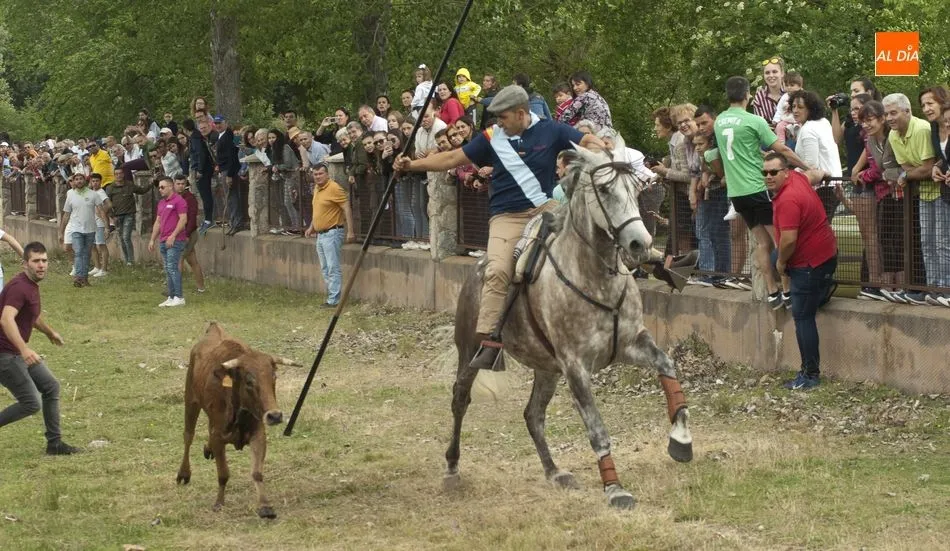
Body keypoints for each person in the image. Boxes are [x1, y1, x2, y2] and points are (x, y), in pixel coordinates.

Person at [394, 85, 605, 370]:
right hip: (506, 216)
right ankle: (491, 341)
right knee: (497, 271)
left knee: (585, 236)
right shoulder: (492, 138)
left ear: (521, 113)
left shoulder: (552, 130)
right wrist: (412, 165)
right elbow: (451, 159)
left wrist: (600, 150)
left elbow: (588, 140)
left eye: (503, 117)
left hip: (544, 208)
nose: (497, 123)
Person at [714, 76, 808, 308]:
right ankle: (787, 289)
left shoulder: (719, 121)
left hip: (737, 194)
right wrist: (807, 167)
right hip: (757, 187)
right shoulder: (754, 121)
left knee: (761, 243)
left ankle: (771, 290)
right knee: (779, 240)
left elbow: (734, 151)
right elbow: (782, 149)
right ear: (748, 95)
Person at [763, 153, 837, 390]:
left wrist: (782, 264)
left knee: (803, 316)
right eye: (764, 173)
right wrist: (824, 173)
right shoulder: (798, 178)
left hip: (809, 263)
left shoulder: (788, 200)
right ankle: (820, 291)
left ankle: (810, 374)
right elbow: (813, 174)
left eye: (774, 172)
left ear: (785, 171)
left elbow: (788, 242)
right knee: (775, 257)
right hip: (826, 254)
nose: (768, 177)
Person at [0, 242, 80, 455]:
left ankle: (54, 444)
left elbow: (31, 316)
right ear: (25, 263)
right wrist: (25, 349)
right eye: (36, 261)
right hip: (4, 355)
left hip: (14, 352)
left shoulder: (31, 285)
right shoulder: (19, 287)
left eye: (44, 260)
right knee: (31, 403)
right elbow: (7, 320)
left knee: (51, 386)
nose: (41, 265)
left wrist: (49, 332)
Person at [885, 93, 941, 306]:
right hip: (924, 193)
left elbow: (926, 168)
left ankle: (943, 288)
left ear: (907, 112)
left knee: (942, 242)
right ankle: (931, 288)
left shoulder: (922, 129)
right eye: (887, 114)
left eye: (894, 113)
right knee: (927, 242)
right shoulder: (893, 135)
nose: (889, 118)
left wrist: (907, 176)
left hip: (940, 191)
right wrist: (909, 173)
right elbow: (908, 167)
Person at [856, 100, 905, 303]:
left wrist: (863, 176)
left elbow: (886, 168)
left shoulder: (892, 138)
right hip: (883, 194)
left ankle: (901, 286)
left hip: (900, 193)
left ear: (882, 118)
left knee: (900, 240)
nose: (866, 125)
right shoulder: (870, 141)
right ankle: (887, 286)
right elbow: (879, 169)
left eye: (870, 120)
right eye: (863, 121)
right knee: (885, 240)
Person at [304, 164, 355, 307]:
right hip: (320, 235)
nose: (318, 177)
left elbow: (346, 208)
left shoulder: (334, 188)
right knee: (325, 267)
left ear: (327, 174)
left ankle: (334, 300)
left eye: (320, 174)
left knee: (333, 267)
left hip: (332, 232)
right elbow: (318, 211)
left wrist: (350, 231)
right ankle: (332, 296)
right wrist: (311, 227)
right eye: (315, 174)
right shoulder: (317, 188)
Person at [789, 89, 843, 221]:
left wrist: (790, 173)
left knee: (817, 229)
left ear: (810, 109)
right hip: (834, 184)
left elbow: (811, 164)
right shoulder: (823, 122)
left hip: (823, 187)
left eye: (800, 107)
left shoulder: (808, 129)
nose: (795, 110)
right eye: (793, 106)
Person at [59, 174, 105, 287]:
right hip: (76, 228)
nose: (79, 181)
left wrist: (107, 225)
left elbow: (101, 210)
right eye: (76, 179)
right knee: (79, 252)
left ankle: (84, 277)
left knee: (86, 253)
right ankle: (78, 277)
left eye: (81, 179)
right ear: (73, 182)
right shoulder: (71, 195)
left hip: (90, 229)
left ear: (85, 180)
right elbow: (66, 215)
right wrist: (61, 231)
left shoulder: (93, 194)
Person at [149, 177, 189, 307]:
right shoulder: (161, 203)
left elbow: (183, 220)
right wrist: (152, 239)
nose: (160, 189)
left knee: (172, 267)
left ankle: (179, 296)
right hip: (163, 239)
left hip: (175, 240)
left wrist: (173, 235)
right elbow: (158, 222)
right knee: (167, 268)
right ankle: (171, 296)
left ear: (171, 187)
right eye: (159, 187)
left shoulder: (179, 201)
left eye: (162, 187)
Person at [105, 167, 152, 266]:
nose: (119, 176)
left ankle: (131, 261)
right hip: (117, 216)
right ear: (114, 175)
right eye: (116, 174)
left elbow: (142, 190)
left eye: (120, 173)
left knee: (126, 237)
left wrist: (152, 183)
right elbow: (107, 204)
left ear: (123, 174)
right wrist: (112, 216)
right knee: (122, 238)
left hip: (129, 214)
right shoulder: (110, 188)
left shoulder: (129, 185)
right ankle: (127, 260)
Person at [173, 175, 206, 294]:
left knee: (178, 259)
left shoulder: (190, 198)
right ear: (174, 184)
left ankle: (175, 290)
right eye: (178, 183)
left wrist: (186, 235)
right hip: (178, 233)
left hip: (188, 233)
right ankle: (201, 288)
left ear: (186, 184)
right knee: (192, 261)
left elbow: (192, 218)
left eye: (182, 183)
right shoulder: (173, 197)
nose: (180, 186)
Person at [190, 117, 216, 236]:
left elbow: (202, 154)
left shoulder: (214, 137)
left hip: (208, 170)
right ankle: (209, 218)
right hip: (211, 169)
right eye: (201, 129)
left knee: (206, 196)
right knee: (206, 196)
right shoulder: (203, 138)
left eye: (205, 128)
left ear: (210, 126)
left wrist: (199, 170)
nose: (203, 130)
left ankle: (209, 219)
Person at [87, 173, 113, 278]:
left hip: (100, 223)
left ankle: (104, 269)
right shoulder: (92, 192)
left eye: (97, 181)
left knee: (101, 245)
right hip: (91, 222)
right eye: (93, 181)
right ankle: (97, 267)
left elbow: (109, 204)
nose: (95, 183)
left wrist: (103, 212)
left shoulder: (101, 193)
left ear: (100, 182)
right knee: (92, 245)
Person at [752, 56, 785, 126]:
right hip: (769, 135)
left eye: (775, 72)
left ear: (782, 73)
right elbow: (761, 125)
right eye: (767, 73)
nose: (771, 75)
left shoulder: (791, 93)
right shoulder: (759, 97)